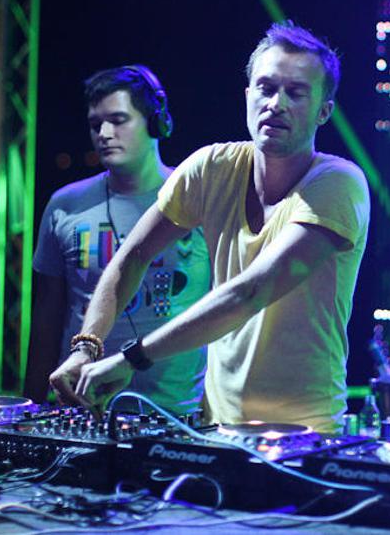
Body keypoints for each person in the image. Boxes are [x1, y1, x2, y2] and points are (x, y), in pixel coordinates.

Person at [49, 22, 370, 433]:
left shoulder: (339, 183)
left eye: (296, 92)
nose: (276, 103)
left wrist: (132, 358)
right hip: (216, 430)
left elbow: (250, 292)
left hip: (305, 436)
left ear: (324, 111)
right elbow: (132, 255)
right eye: (266, 88)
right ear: (248, 95)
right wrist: (87, 347)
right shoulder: (211, 168)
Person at [26, 66, 210, 415]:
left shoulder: (197, 199)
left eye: (118, 120)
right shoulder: (65, 205)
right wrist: (32, 406)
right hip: (82, 407)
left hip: (180, 411)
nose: (104, 134)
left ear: (154, 121)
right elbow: (47, 316)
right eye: (95, 124)